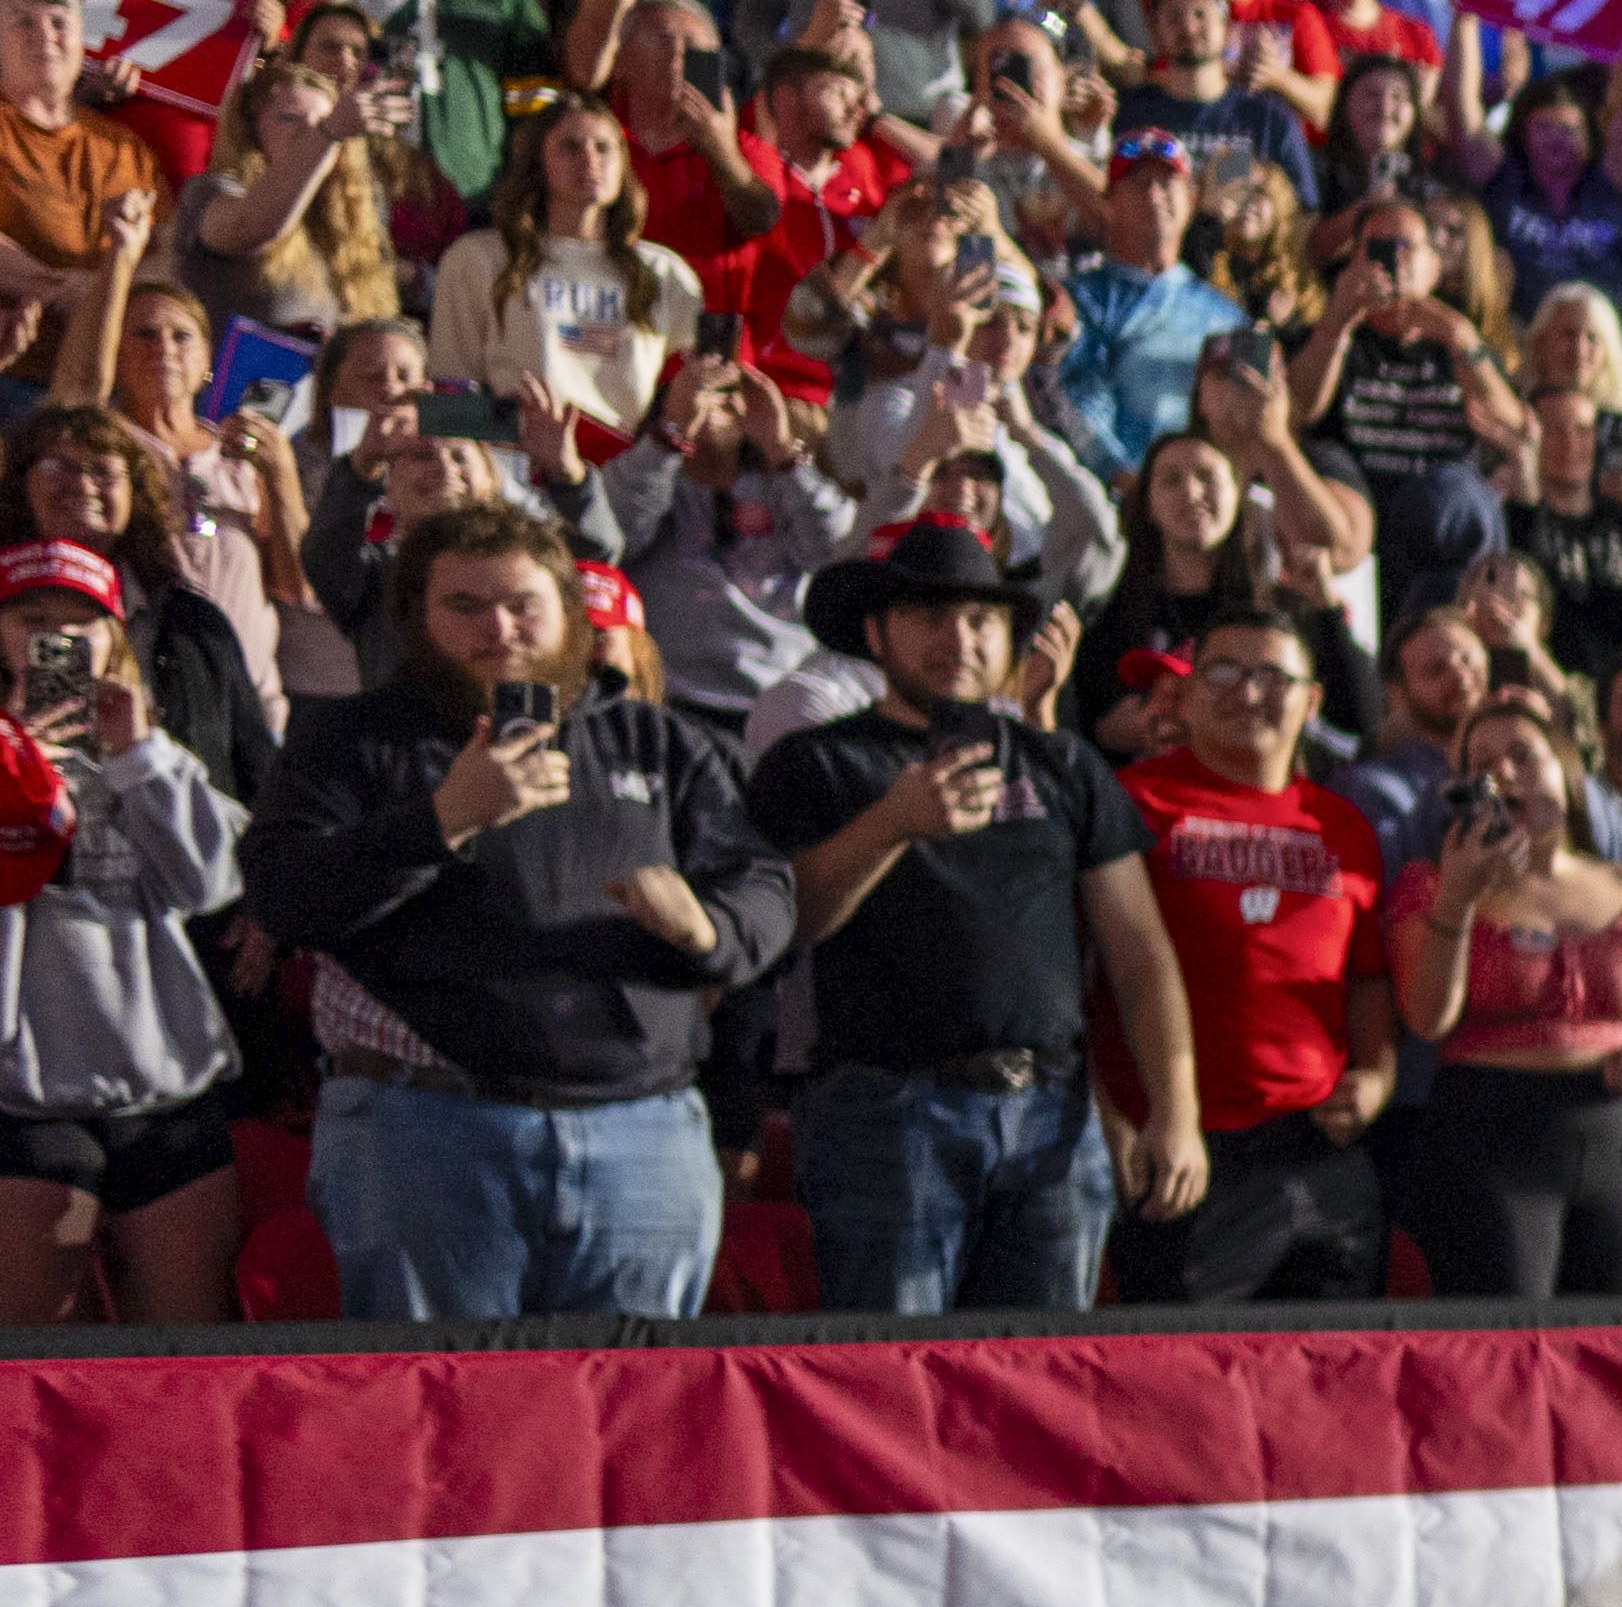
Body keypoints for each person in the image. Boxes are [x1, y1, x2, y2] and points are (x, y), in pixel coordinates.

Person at [246, 501, 793, 1323]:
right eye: (464, 607)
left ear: (568, 614)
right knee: (443, 1422)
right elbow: (286, 897)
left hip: (643, 1138)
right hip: (423, 1130)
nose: (498, 629)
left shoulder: (660, 743)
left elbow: (764, 884)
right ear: (415, 622)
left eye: (522, 605)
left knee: (628, 1419)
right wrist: (443, 820)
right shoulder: (348, 740)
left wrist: (708, 929)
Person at [748, 513, 1204, 1313]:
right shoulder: (817, 761)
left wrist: (1175, 1110)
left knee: (1040, 1390)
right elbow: (783, 927)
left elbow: (1141, 950)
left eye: (983, 618)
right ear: (875, 634)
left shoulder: (1060, 760)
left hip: (1052, 1113)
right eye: (930, 616)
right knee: (891, 1384)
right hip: (881, 1113)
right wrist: (889, 824)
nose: (959, 637)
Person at [1379, 697, 1622, 1297]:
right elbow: (1427, 1017)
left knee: (1611, 1350)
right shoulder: (1429, 886)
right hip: (1489, 1142)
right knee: (1503, 1352)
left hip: (1620, 1145)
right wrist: (1458, 901)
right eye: (1480, 764)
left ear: (1568, 773)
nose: (1502, 774)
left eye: (1522, 756)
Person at [0, 537, 253, 1324]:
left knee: (182, 1354)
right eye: (33, 618)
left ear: (117, 635)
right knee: (36, 1362)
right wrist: (14, 770)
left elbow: (211, 884)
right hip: (25, 1091)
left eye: (82, 620)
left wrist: (139, 755)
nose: (59, 637)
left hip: (165, 1077)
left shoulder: (151, 750)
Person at [1109, 626, 1399, 1303]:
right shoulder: (1129, 802)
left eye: (1273, 677)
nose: (1248, 692)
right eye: (1224, 673)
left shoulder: (1343, 824)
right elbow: (1083, 970)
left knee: (1332, 1392)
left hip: (1323, 1150)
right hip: (1185, 1151)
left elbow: (1366, 977)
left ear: (1313, 701)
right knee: (1188, 1395)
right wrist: (1111, 1116)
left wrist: (1377, 1075)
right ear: (1182, 696)